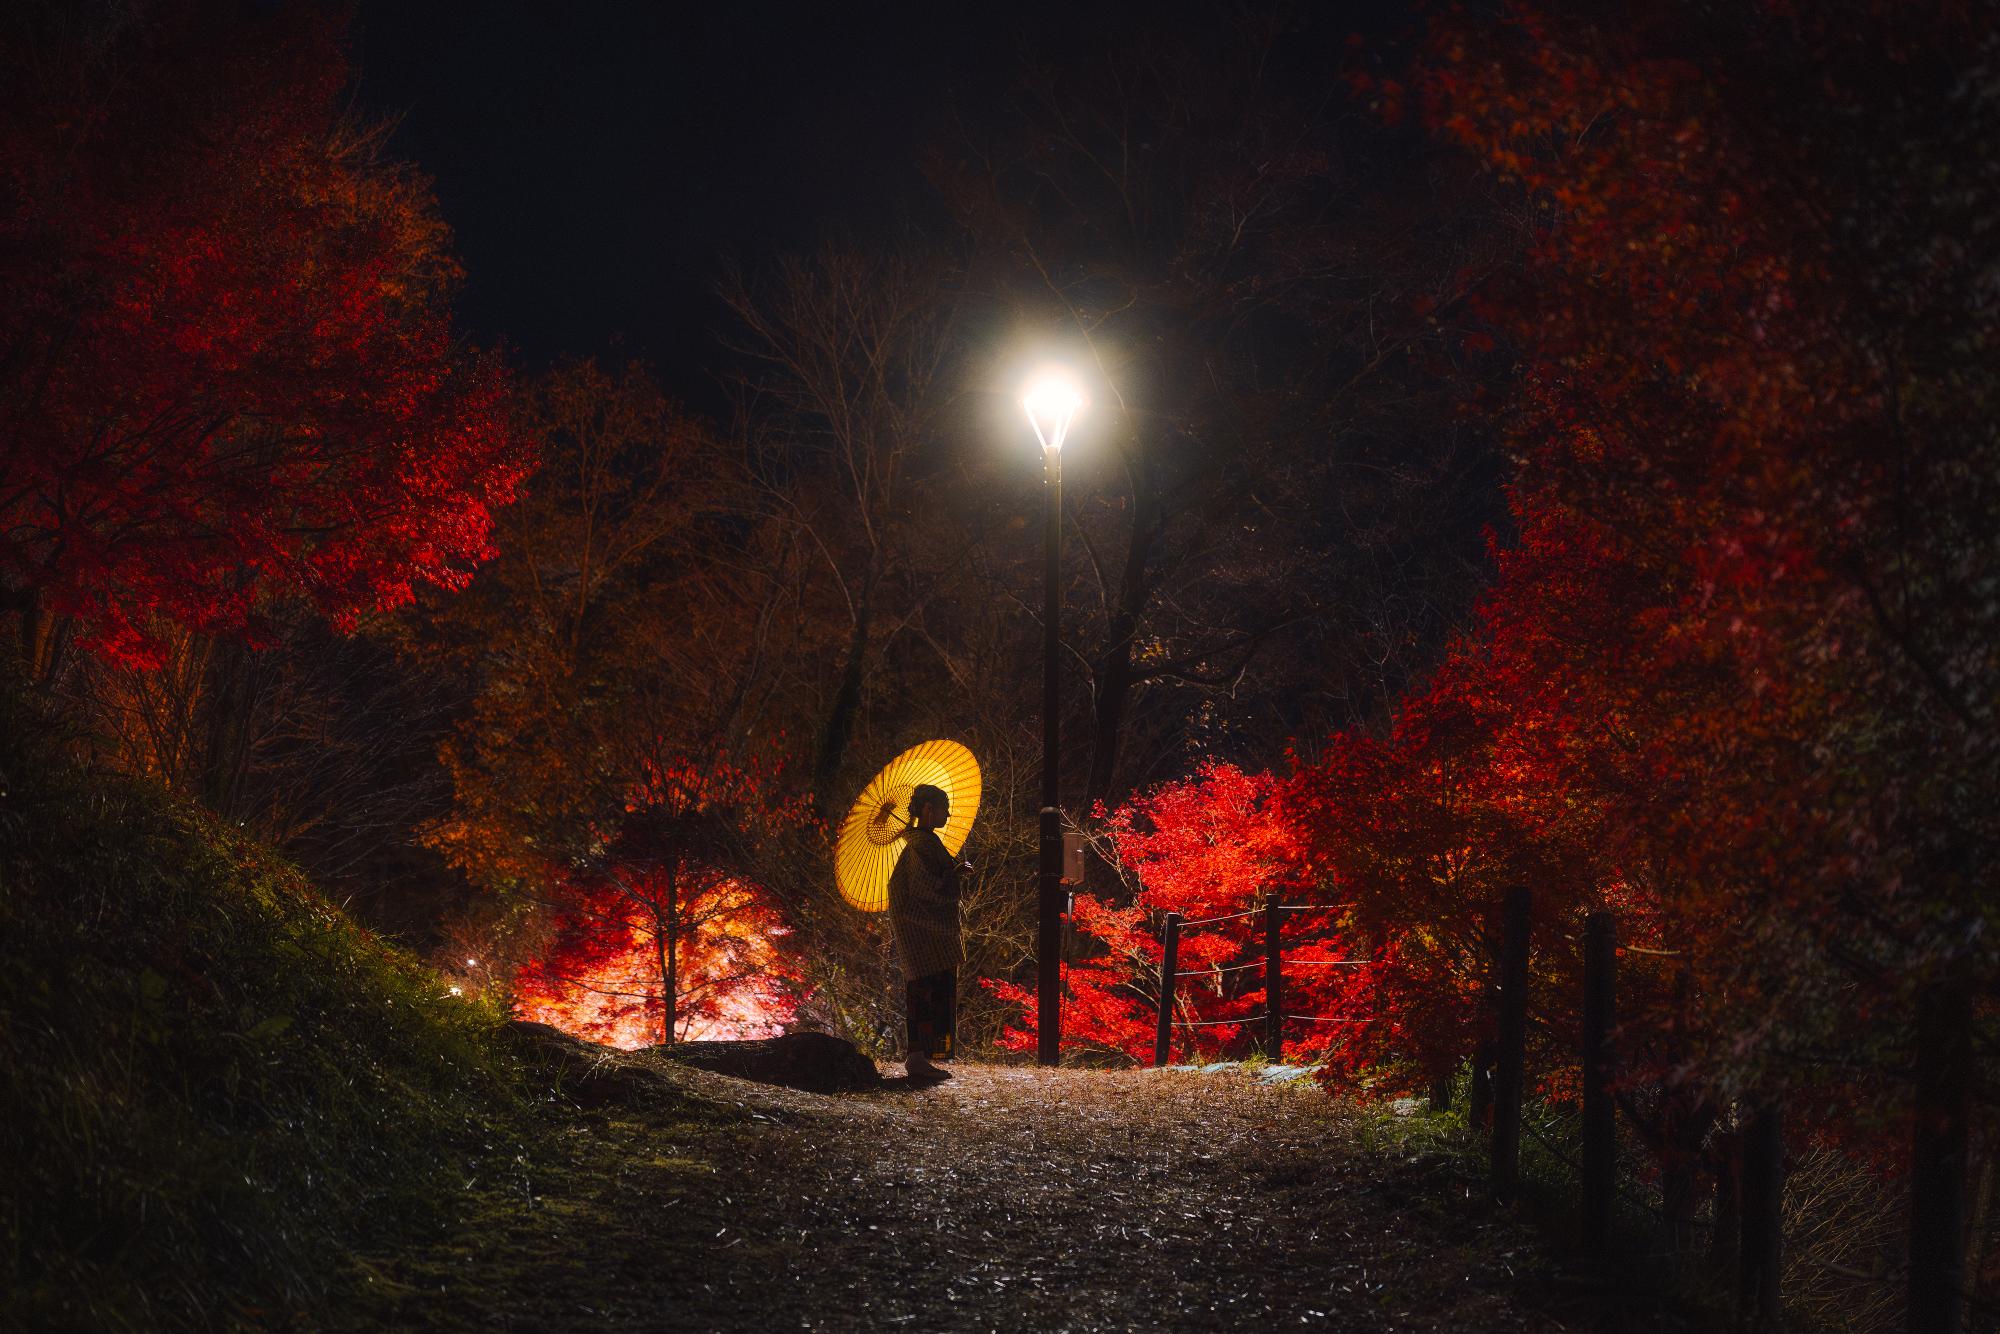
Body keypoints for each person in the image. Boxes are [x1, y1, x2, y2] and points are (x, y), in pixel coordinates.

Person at [886, 783, 963, 1083]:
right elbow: (928, 888)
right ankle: (917, 1058)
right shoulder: (921, 845)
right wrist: (955, 875)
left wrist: (954, 873)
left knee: (929, 993)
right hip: (925, 936)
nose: (948, 813)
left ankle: (923, 1057)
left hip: (927, 935)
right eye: (943, 807)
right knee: (926, 993)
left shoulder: (924, 842)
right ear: (928, 810)